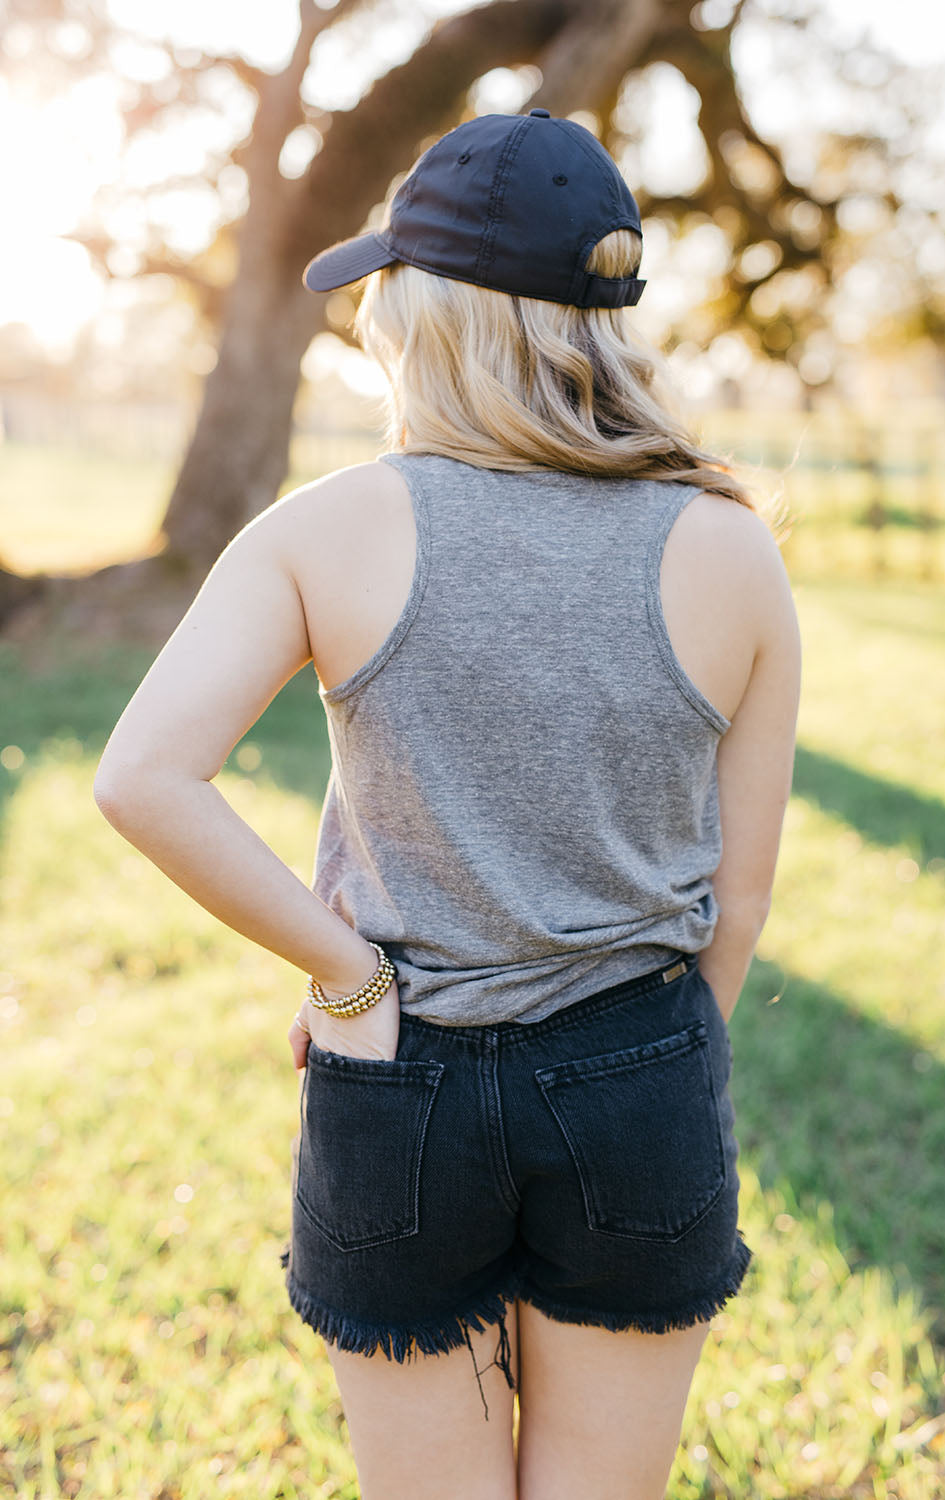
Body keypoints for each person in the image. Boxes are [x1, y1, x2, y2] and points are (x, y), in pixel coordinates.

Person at [94, 109, 801, 1500]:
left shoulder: (325, 528)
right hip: (643, 1067)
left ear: (421, 312)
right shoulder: (731, 547)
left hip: (398, 1079)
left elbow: (143, 777)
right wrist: (648, 1071)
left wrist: (347, 978)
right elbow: (745, 896)